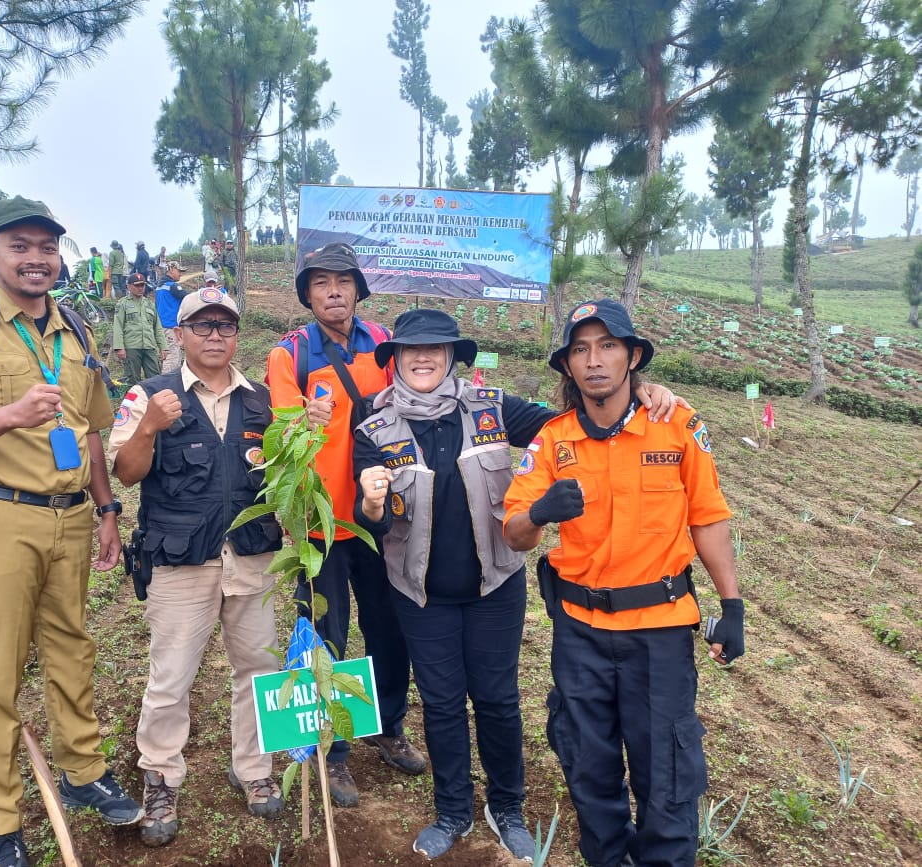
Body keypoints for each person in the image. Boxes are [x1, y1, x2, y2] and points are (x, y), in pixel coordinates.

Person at [353, 308, 686, 862]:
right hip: (420, 596)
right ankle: (454, 808)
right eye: (411, 350)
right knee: (439, 705)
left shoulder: (493, 408)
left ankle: (506, 805)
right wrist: (369, 501)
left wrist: (640, 390)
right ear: (395, 361)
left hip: (494, 586)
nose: (424, 357)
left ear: (455, 357)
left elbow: (576, 418)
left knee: (499, 702)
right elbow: (377, 521)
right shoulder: (373, 426)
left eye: (437, 348)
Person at [0, 195, 142, 867]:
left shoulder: (74, 331)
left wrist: (105, 511)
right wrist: (10, 414)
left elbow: (91, 432)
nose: (36, 259)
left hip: (69, 519)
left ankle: (83, 771)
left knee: (72, 649)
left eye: (47, 247)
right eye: (21, 246)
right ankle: (1, 822)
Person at [503, 299, 744, 867]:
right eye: (581, 349)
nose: (594, 361)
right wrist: (540, 511)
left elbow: (707, 516)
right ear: (567, 367)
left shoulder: (677, 425)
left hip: (659, 635)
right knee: (588, 768)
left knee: (667, 775)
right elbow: (514, 533)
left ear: (633, 357)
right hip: (580, 632)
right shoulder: (553, 441)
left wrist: (731, 603)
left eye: (608, 346)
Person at [108, 287, 284, 848]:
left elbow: (283, 477)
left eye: (224, 327)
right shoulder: (149, 395)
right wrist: (148, 428)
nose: (214, 336)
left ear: (237, 336)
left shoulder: (261, 400)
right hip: (183, 561)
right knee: (171, 677)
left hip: (252, 557)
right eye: (201, 326)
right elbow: (127, 474)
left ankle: (255, 770)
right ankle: (160, 775)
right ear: (178, 335)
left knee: (258, 670)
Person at [265, 242, 425, 807]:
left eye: (343, 281)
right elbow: (280, 437)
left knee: (390, 626)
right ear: (307, 295)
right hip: (320, 522)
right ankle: (329, 750)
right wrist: (298, 424)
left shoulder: (386, 344)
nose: (334, 291)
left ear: (359, 288)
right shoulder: (291, 354)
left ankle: (386, 725)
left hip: (382, 517)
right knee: (327, 633)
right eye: (321, 283)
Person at [113, 272, 166, 384]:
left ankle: (153, 400)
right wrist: (119, 347)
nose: (140, 288)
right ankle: (134, 402)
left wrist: (163, 347)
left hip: (149, 346)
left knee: (155, 378)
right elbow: (118, 326)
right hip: (131, 347)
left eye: (142, 285)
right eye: (137, 285)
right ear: (129, 286)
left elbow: (157, 327)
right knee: (132, 380)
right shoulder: (123, 304)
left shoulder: (149, 304)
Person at [154, 261, 189, 373]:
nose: (181, 274)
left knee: (171, 354)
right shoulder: (172, 286)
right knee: (172, 356)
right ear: (172, 270)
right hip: (170, 326)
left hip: (162, 326)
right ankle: (167, 382)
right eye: (179, 271)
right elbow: (188, 298)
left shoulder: (159, 287)